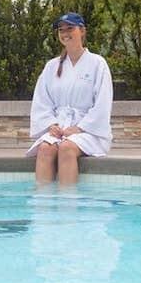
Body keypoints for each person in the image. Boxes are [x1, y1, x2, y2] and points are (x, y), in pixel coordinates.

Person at [27, 12, 113, 186]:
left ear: (82, 31)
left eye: (70, 29)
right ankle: (42, 200)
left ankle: (68, 200)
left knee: (66, 148)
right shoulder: (51, 66)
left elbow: (103, 103)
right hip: (60, 128)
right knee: (44, 149)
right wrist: (50, 125)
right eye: (61, 30)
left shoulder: (97, 64)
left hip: (89, 131)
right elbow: (42, 101)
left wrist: (80, 128)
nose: (65, 33)